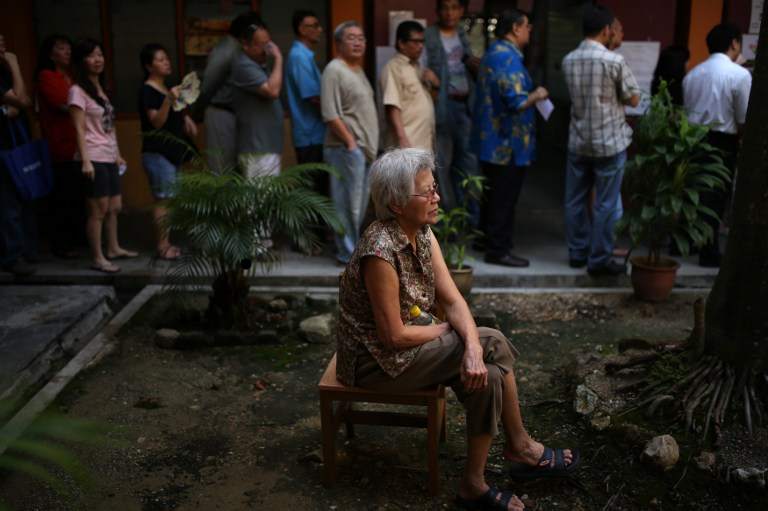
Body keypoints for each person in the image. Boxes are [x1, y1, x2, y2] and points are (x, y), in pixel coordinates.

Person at [337, 148, 579, 511]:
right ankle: (523, 449)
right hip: (376, 363)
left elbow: (452, 301)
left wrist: (469, 348)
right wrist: (457, 336)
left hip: (410, 345)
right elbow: (394, 337)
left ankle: (474, 484)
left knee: (490, 372)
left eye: (435, 188)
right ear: (397, 203)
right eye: (427, 192)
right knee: (490, 340)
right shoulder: (379, 251)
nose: (437, 197)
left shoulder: (422, 233)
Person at [562, 5, 640, 276]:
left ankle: (577, 253)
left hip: (579, 140)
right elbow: (634, 98)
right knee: (605, 202)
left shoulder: (568, 59)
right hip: (609, 141)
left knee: (574, 200)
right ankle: (599, 259)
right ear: (607, 30)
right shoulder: (614, 61)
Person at [471, 10, 546, 268]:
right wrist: (537, 94)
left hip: (492, 141)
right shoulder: (507, 58)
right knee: (504, 197)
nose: (530, 31)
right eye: (527, 27)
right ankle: (498, 249)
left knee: (492, 195)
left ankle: (486, 239)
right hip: (506, 143)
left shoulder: (494, 53)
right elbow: (516, 102)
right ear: (515, 28)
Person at [683, 23, 751, 267]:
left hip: (693, 138)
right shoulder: (740, 75)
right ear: (734, 43)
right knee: (716, 197)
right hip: (723, 140)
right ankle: (708, 252)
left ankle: (688, 243)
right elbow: (743, 118)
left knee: (695, 193)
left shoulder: (692, 74)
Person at [68, 38, 137, 273]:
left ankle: (114, 248)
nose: (98, 60)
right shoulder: (77, 91)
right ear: (81, 61)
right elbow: (78, 128)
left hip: (108, 155)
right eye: (91, 55)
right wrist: (86, 160)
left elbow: (110, 127)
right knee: (98, 209)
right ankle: (97, 257)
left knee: (115, 206)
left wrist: (117, 154)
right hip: (93, 155)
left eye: (100, 54)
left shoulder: (101, 91)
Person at [321, 21, 379, 264]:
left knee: (359, 207)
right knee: (347, 206)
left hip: (363, 151)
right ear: (338, 43)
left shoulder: (357, 69)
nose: (358, 42)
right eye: (351, 38)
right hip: (346, 149)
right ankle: (347, 254)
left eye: (361, 38)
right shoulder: (334, 69)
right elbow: (329, 113)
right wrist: (351, 143)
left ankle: (352, 252)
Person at [138, 43, 198, 260]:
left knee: (170, 200)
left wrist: (186, 119)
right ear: (148, 66)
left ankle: (168, 242)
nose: (166, 62)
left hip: (172, 152)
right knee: (163, 200)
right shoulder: (148, 90)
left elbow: (176, 116)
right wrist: (168, 101)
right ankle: (163, 246)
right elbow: (156, 122)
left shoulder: (168, 88)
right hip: (157, 152)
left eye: (166, 58)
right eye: (160, 59)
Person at [425, 0, 480, 214]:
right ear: (438, 11)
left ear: (462, 11)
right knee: (442, 166)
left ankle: (469, 218)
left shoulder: (464, 35)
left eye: (455, 7)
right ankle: (448, 216)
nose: (450, 12)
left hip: (465, 105)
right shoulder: (429, 35)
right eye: (445, 8)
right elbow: (421, 67)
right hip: (441, 107)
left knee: (468, 164)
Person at [36, 34, 85, 260]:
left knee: (78, 195)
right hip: (61, 143)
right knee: (63, 196)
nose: (66, 51)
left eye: (68, 47)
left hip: (80, 142)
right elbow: (65, 105)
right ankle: (62, 244)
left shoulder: (74, 76)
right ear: (51, 53)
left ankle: (80, 239)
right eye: (61, 48)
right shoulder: (47, 76)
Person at [198, 12, 260, 173]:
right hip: (221, 111)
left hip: (237, 114)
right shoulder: (225, 50)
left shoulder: (240, 49)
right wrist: (195, 114)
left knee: (237, 168)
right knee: (221, 168)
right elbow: (207, 86)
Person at [0, 34, 36, 276]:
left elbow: (24, 102)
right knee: (8, 202)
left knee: (23, 198)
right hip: (2, 148)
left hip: (16, 145)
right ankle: (12, 256)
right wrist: (14, 64)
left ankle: (25, 249)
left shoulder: (3, 72)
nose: (3, 44)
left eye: (4, 39)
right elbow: (20, 99)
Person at [230, 19, 283, 178]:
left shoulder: (259, 64)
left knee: (268, 200)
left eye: (269, 44)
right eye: (262, 45)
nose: (267, 50)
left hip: (267, 145)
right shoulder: (243, 65)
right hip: (257, 147)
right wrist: (279, 58)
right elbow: (273, 91)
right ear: (246, 45)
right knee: (259, 201)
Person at [381, 20, 438, 151]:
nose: (421, 46)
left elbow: (429, 102)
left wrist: (435, 84)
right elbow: (392, 105)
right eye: (416, 42)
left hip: (423, 143)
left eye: (422, 42)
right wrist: (402, 139)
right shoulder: (393, 67)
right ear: (401, 43)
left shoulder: (418, 67)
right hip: (407, 144)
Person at [285, 10, 325, 167]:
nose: (319, 29)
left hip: (314, 134)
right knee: (313, 188)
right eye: (315, 26)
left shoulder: (304, 55)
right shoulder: (299, 56)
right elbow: (313, 97)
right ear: (301, 29)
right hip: (310, 135)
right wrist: (336, 118)